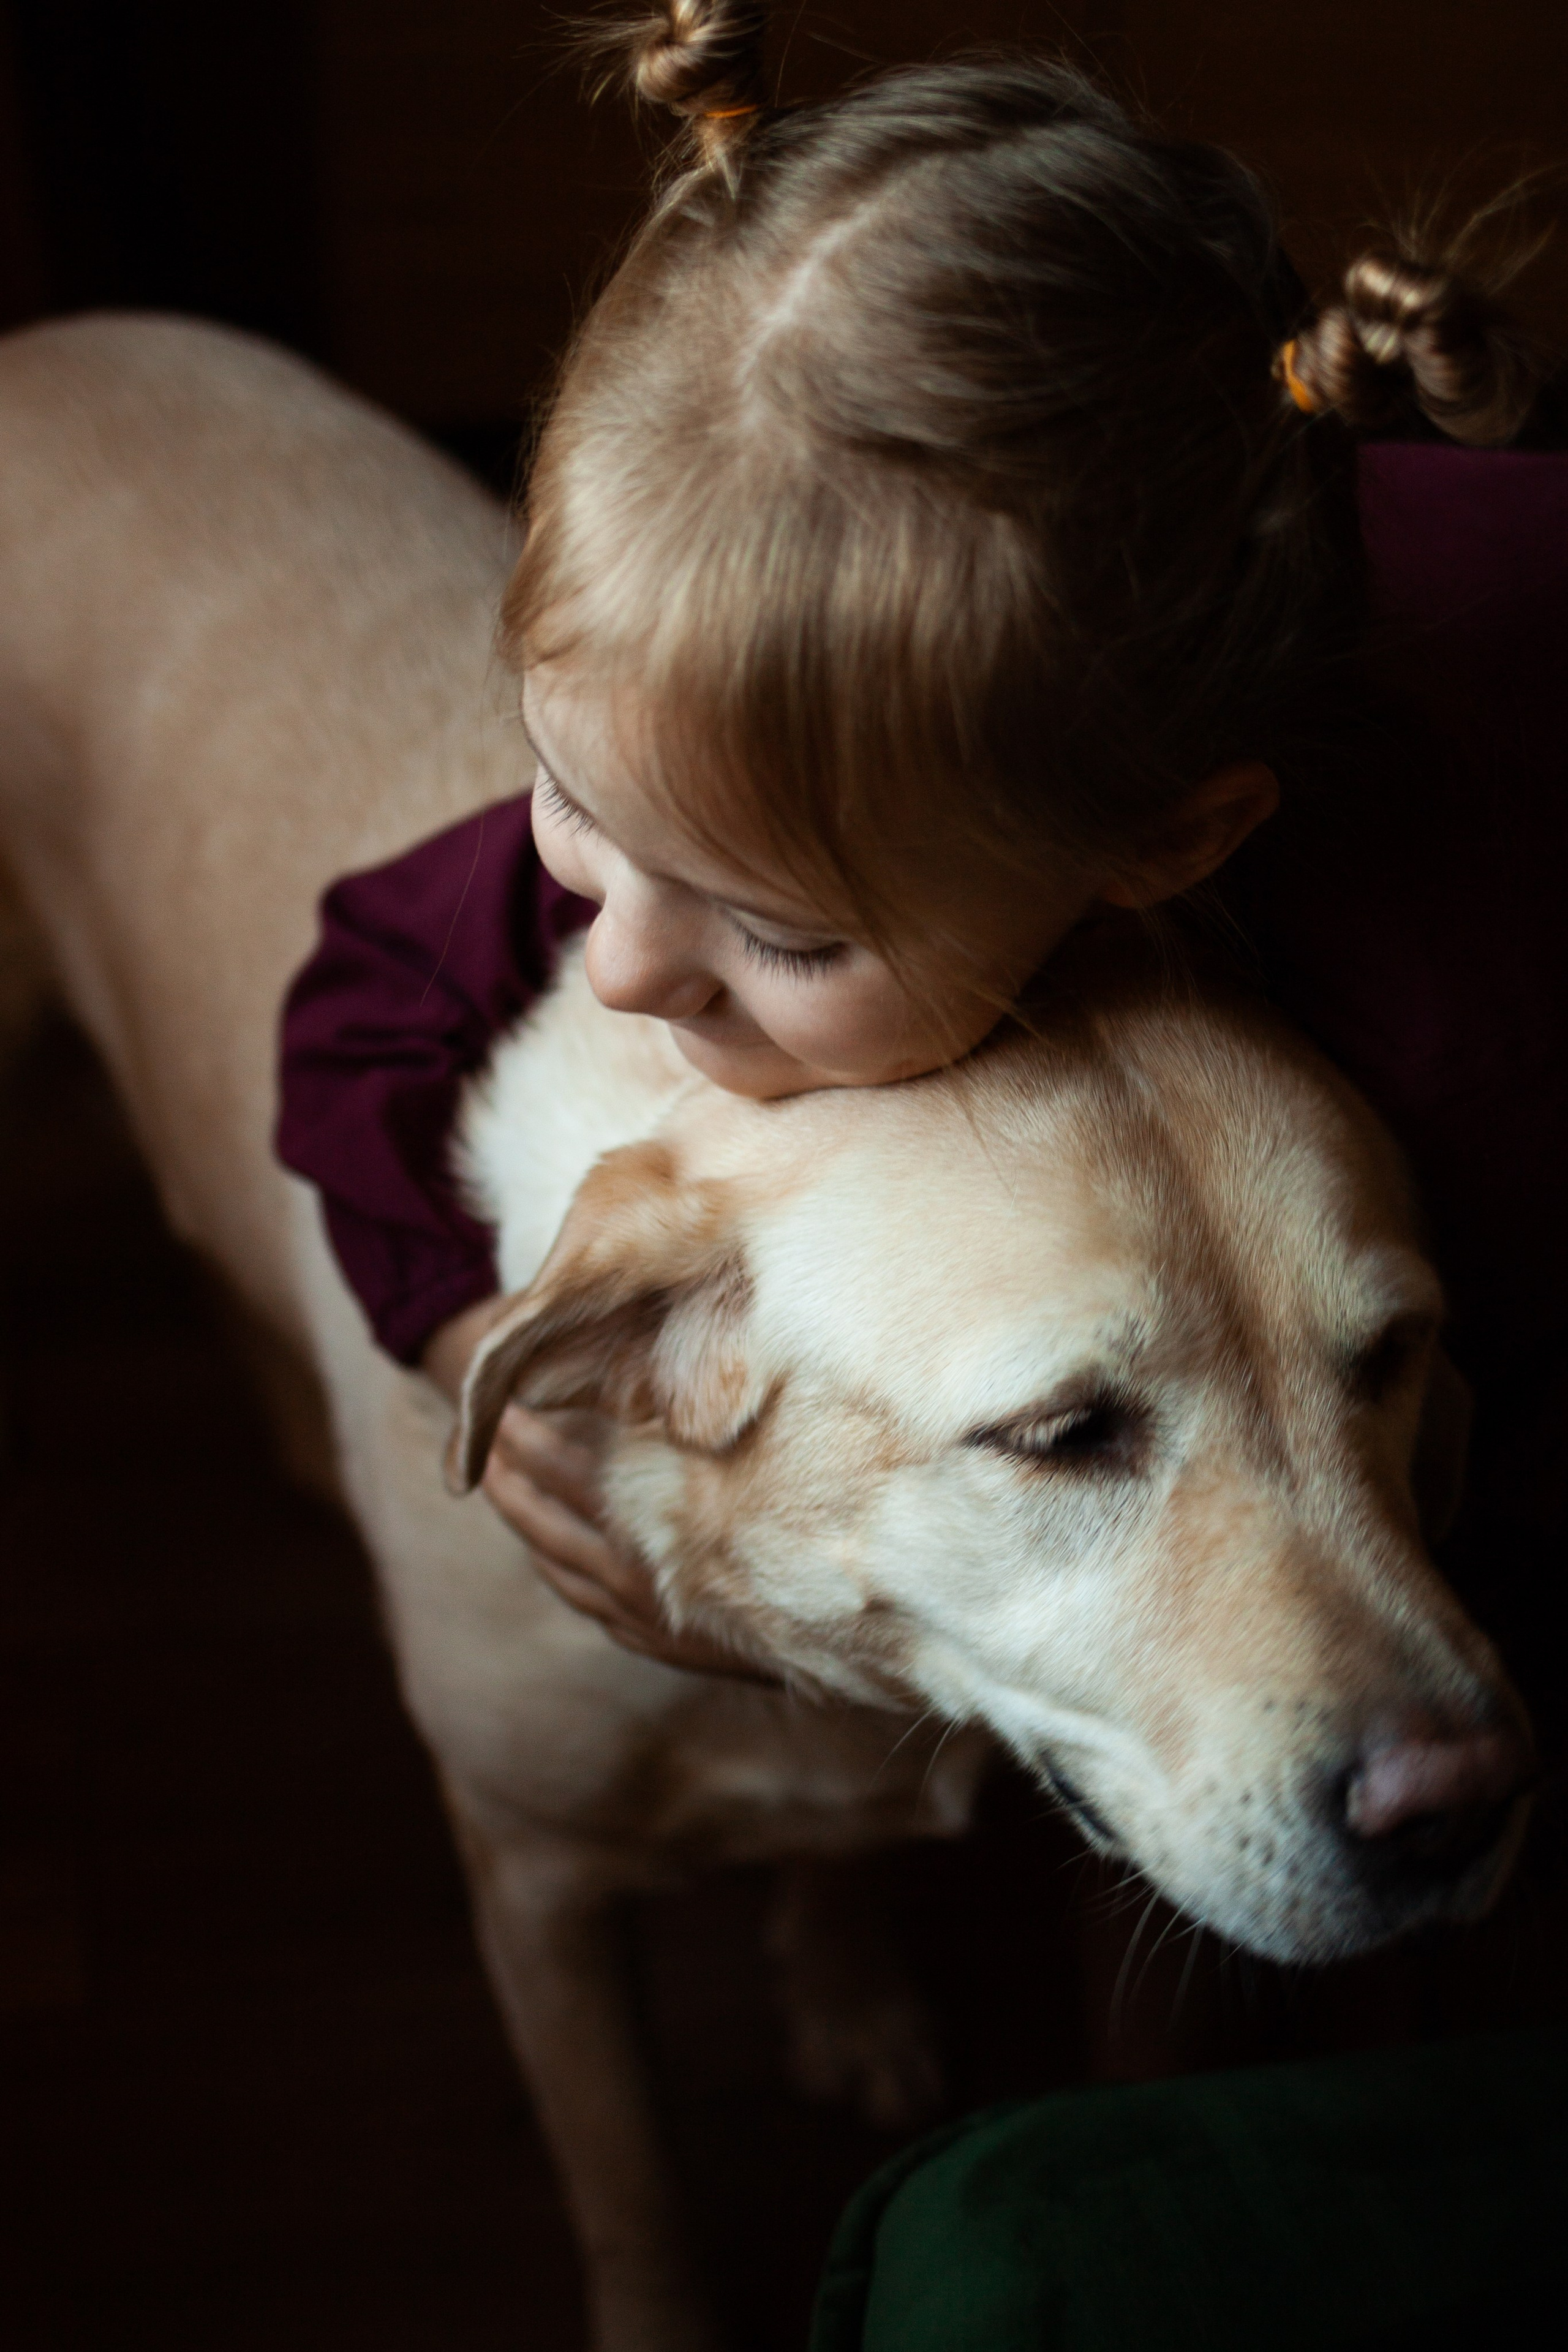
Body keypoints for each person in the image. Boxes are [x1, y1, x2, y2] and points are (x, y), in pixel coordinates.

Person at [276, 5, 1566, 1689]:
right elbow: (361, 1004)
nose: (621, 964)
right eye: (577, 807)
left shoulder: (1463, 1018)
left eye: (789, 941)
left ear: (1165, 849)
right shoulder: (777, 772)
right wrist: (460, 1336)